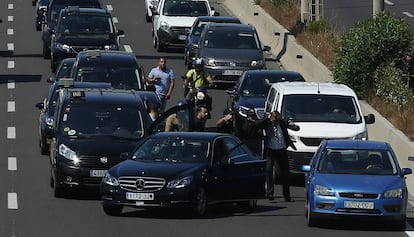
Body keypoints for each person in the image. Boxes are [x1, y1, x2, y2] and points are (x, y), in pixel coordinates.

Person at [252, 110, 299, 202]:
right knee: (269, 170)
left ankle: (287, 195)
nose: (276, 121)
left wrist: (292, 124)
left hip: (281, 150)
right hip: (270, 150)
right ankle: (270, 193)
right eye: (274, 119)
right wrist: (267, 119)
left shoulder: (281, 123)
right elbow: (256, 125)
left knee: (285, 173)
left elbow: (295, 127)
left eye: (277, 119)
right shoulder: (267, 123)